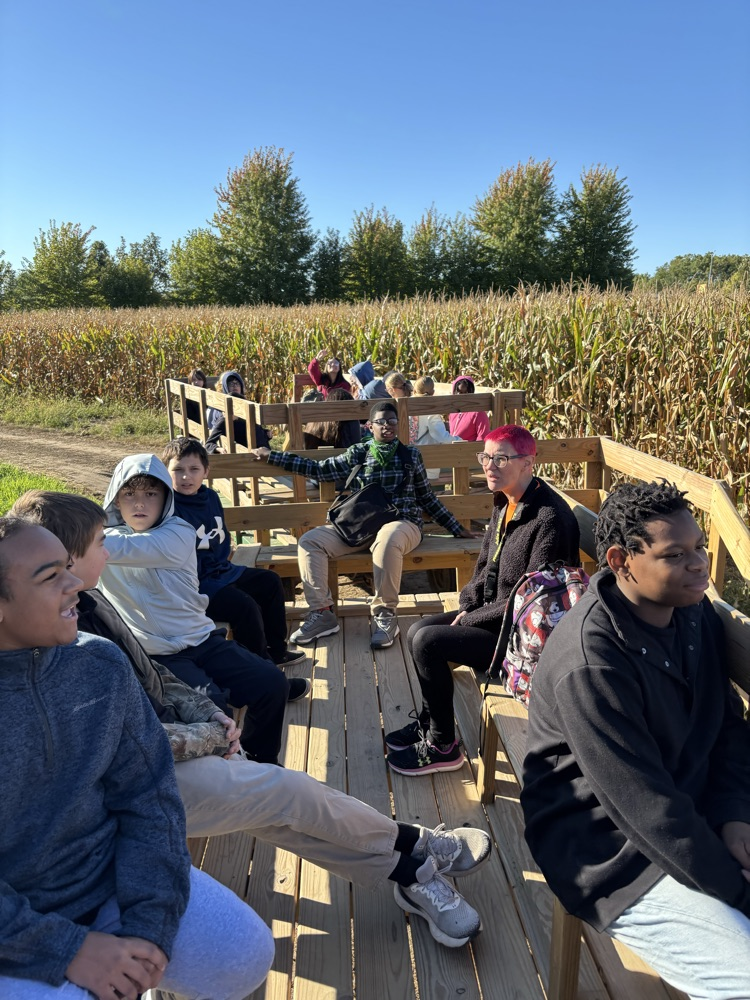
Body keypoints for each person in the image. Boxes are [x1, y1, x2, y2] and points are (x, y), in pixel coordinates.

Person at [9, 494, 492, 951]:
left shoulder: (88, 605)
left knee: (274, 807)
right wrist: (211, 738)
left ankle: (409, 874)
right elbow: (122, 746)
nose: (109, 549)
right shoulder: (56, 640)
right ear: (64, 560)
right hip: (137, 788)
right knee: (284, 793)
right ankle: (416, 844)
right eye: (100, 542)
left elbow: (151, 674)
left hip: (166, 753)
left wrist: (206, 711)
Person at [0, 516, 274, 999]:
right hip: (16, 927)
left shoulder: (99, 664)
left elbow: (149, 795)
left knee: (242, 954)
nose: (76, 587)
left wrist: (150, 924)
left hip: (107, 878)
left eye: (70, 567)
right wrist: (67, 949)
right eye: (50, 577)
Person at [521, 481, 750, 1000]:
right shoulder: (592, 660)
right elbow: (644, 808)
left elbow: (730, 727)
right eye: (675, 555)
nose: (699, 565)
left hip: (691, 806)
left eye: (699, 549)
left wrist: (735, 813)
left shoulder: (693, 615)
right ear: (622, 560)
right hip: (608, 849)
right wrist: (737, 893)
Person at [385, 425, 579, 776]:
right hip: (493, 617)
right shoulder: (505, 501)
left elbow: (533, 601)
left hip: (518, 640)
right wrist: (467, 604)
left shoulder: (550, 519)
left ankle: (443, 745)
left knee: (429, 643)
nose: (490, 465)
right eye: (486, 457)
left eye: (501, 458)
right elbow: (485, 563)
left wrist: (472, 619)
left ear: (528, 463)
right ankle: (431, 723)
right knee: (417, 631)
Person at [97, 453, 309, 765]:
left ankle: (263, 761)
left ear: (166, 498)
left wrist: (81, 538)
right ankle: (230, 771)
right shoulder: (104, 539)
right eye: (129, 494)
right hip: (157, 656)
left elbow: (127, 548)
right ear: (116, 499)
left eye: (151, 494)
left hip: (202, 639)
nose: (139, 504)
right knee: (214, 710)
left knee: (271, 683)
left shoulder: (178, 532)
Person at [250, 399, 477, 650]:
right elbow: (320, 469)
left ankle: (385, 615)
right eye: (381, 422)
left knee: (388, 538)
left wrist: (456, 528)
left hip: (403, 525)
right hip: (361, 527)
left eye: (392, 421)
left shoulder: (410, 455)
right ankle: (322, 613)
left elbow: (426, 497)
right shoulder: (359, 452)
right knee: (310, 541)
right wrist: (273, 456)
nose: (388, 426)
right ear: (370, 426)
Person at [161, 437, 305, 667]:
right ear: (165, 473)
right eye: (178, 470)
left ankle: (276, 650)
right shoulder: (167, 508)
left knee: (270, 582)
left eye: (194, 469)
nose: (186, 476)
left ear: (206, 471)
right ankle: (261, 668)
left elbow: (220, 538)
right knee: (244, 606)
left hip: (222, 571)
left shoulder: (210, 497)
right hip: (194, 584)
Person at [205, 369, 271, 453]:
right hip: (246, 454)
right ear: (224, 386)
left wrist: (266, 433)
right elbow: (209, 443)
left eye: (237, 383)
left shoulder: (249, 406)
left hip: (263, 452)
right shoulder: (225, 415)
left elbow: (257, 432)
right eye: (230, 384)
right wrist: (217, 448)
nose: (234, 386)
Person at [413, 376, 462, 480]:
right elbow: (442, 437)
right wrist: (459, 440)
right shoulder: (431, 411)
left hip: (408, 461)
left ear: (414, 391)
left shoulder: (406, 406)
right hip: (426, 462)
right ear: (433, 392)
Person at [449, 375, 490, 442]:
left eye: (466, 393)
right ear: (454, 392)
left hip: (468, 451)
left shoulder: (478, 413)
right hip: (452, 450)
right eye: (460, 392)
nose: (463, 396)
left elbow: (482, 438)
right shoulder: (453, 412)